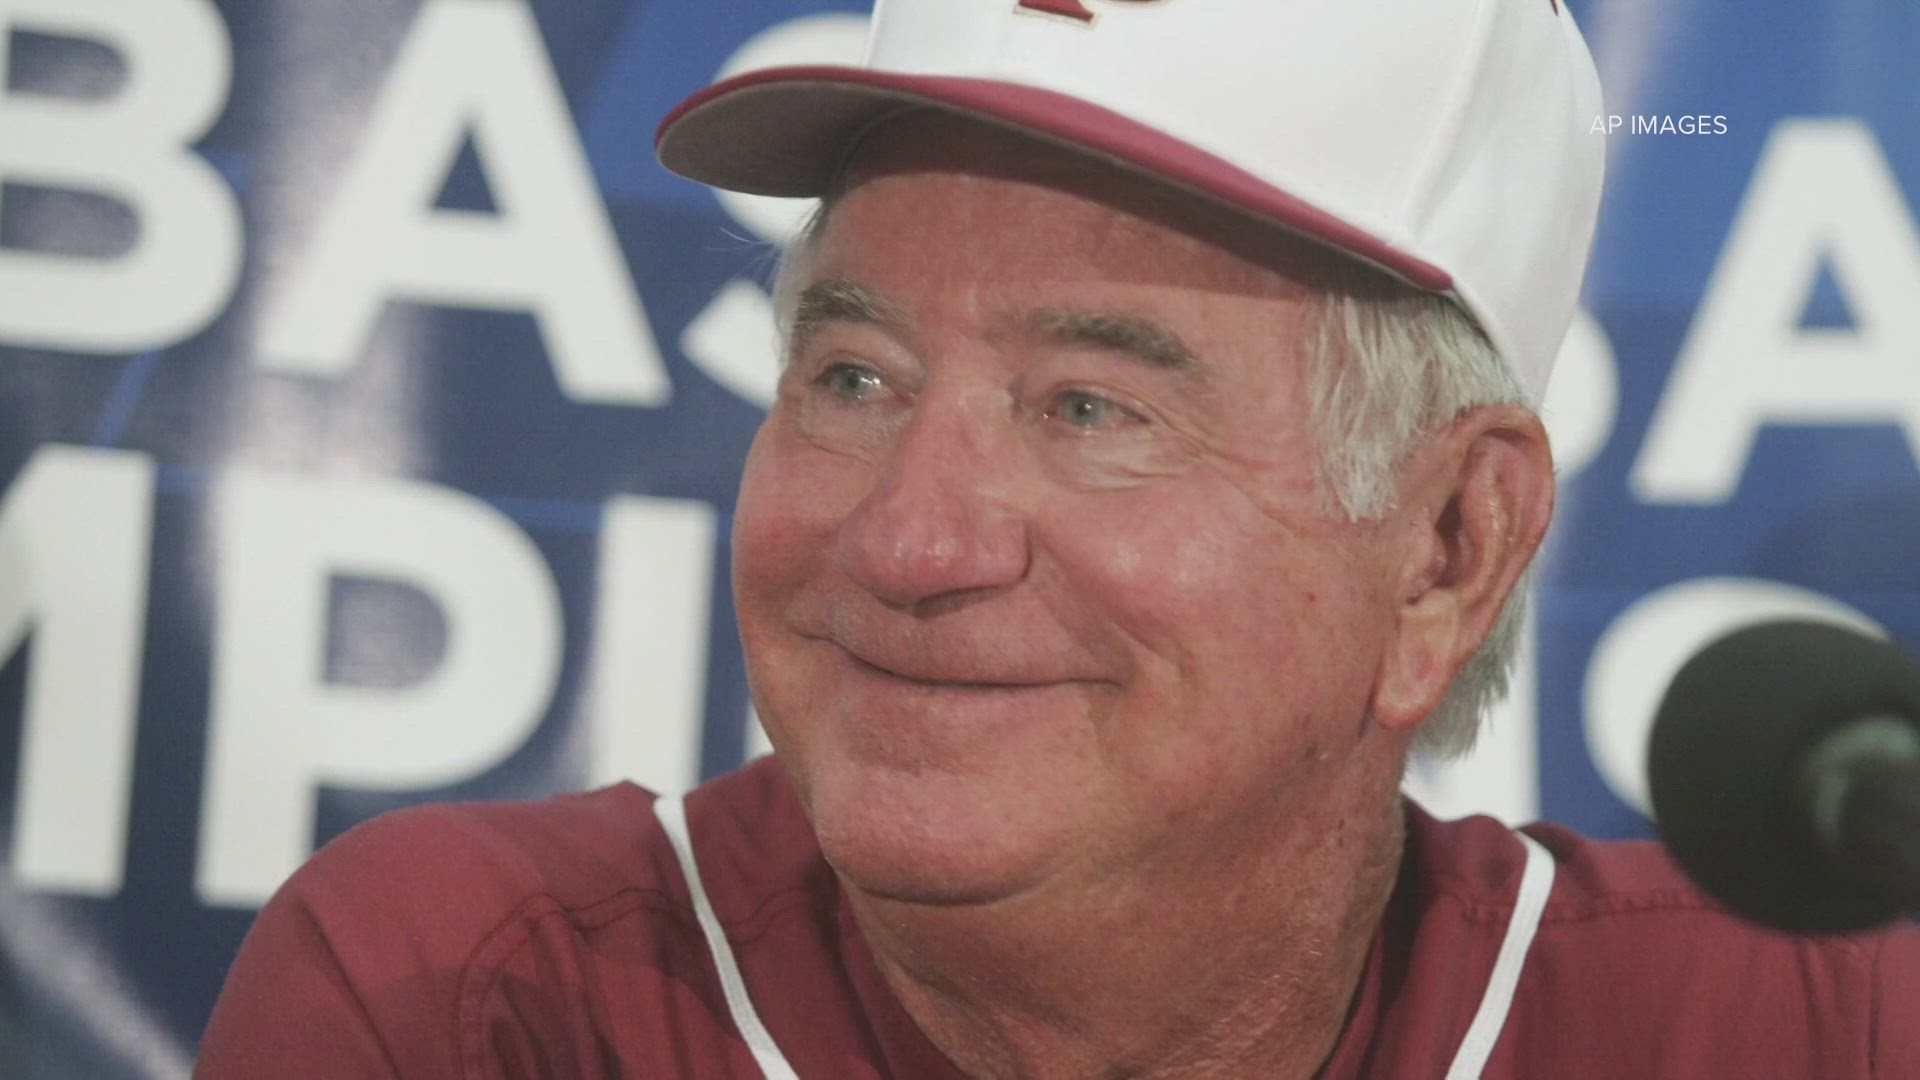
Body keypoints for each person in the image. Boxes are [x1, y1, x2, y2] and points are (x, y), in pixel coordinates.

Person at [196, 0, 1920, 1077]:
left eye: (1092, 408)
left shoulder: (1806, 1027)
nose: (909, 536)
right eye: (853, 375)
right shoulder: (463, 1004)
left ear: (1449, 551)